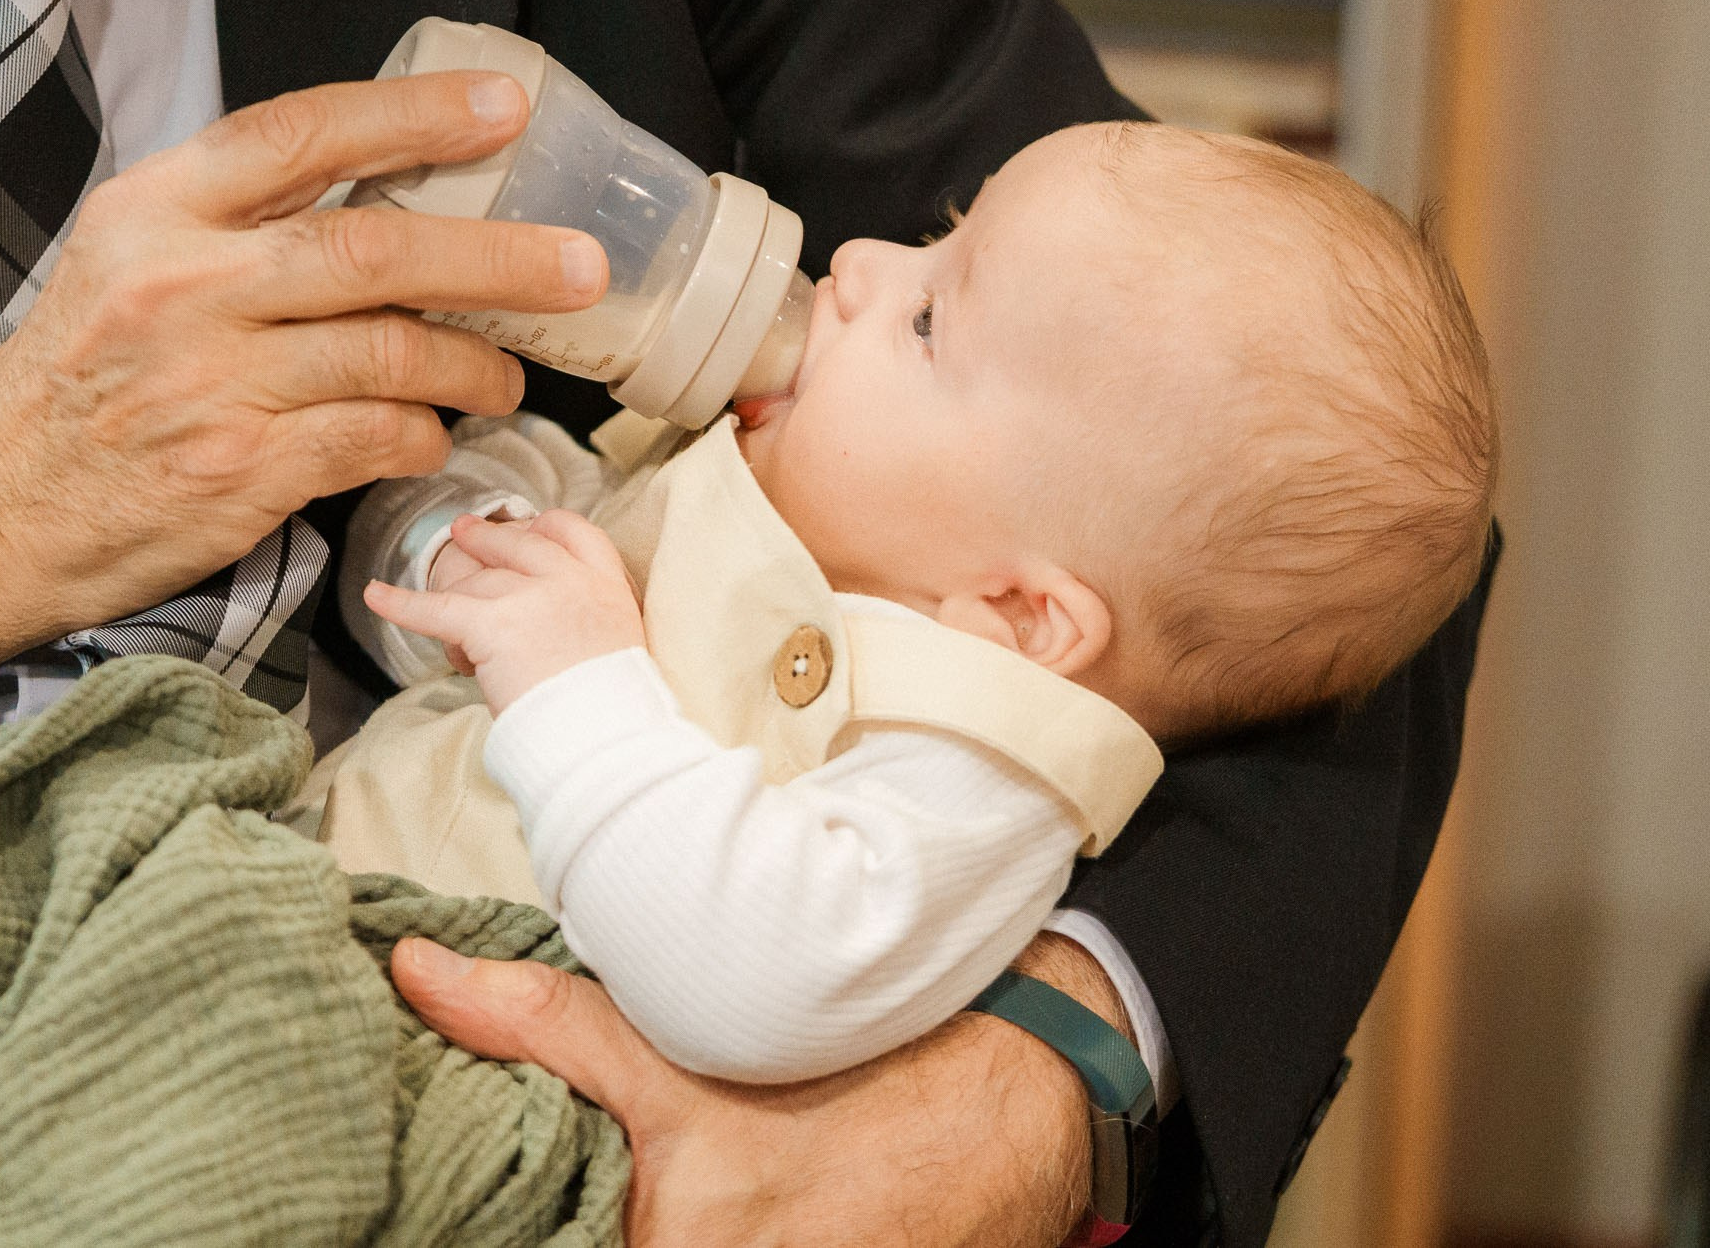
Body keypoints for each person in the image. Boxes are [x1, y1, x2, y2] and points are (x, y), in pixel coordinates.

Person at [0, 0, 1495, 1244]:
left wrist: (1033, 1077)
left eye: (932, 291)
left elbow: (1242, 466)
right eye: (920, 259)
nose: (872, 263)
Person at [308, 122, 1496, 1087]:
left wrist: (575, 688)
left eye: (928, 320)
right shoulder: (759, 483)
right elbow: (459, 559)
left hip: (405, 1071)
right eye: (937, 237)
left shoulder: (964, 761)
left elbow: (753, 981)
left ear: (1018, 612)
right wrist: (463, 543)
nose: (862, 263)